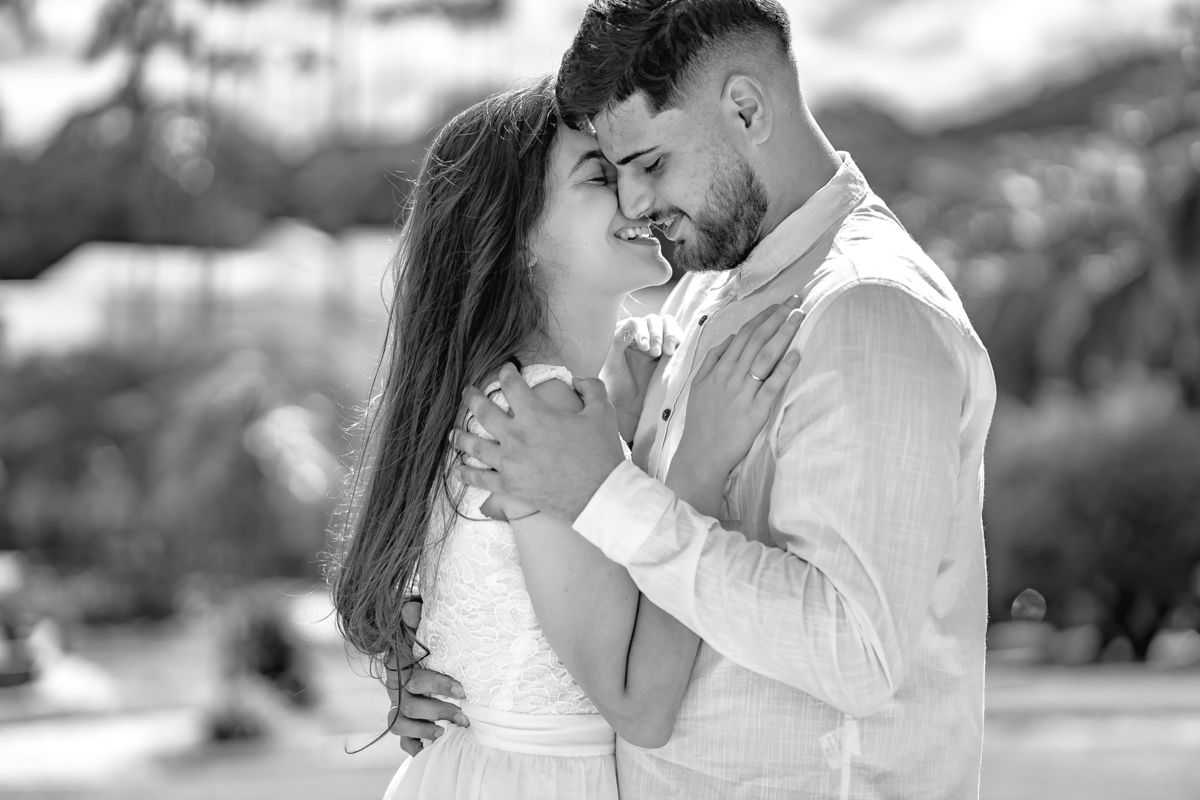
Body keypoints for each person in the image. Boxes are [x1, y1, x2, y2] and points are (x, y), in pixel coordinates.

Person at [398, 1, 999, 798]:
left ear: (746, 109)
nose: (635, 203)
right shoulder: (704, 296)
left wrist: (609, 496)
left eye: (649, 163)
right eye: (610, 174)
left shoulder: (866, 312)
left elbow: (856, 653)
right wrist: (459, 667)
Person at [329, 77, 803, 800]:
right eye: (599, 176)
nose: (637, 196)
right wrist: (699, 465)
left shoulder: (511, 395)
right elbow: (639, 706)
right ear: (517, 238)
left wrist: (625, 429)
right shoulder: (536, 408)